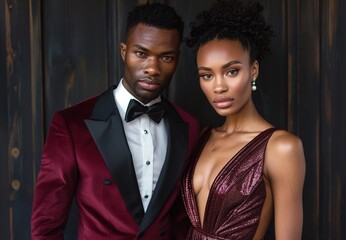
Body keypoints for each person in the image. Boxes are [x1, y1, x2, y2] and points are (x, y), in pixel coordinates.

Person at [31, 2, 199, 239]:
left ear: (177, 59)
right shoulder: (72, 124)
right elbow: (46, 224)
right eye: (141, 53)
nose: (152, 68)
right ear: (124, 51)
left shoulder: (188, 126)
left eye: (166, 57)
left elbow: (183, 219)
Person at [181, 0, 306, 239]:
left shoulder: (280, 148)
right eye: (207, 75)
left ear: (254, 70)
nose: (218, 86)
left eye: (231, 71)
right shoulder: (201, 136)